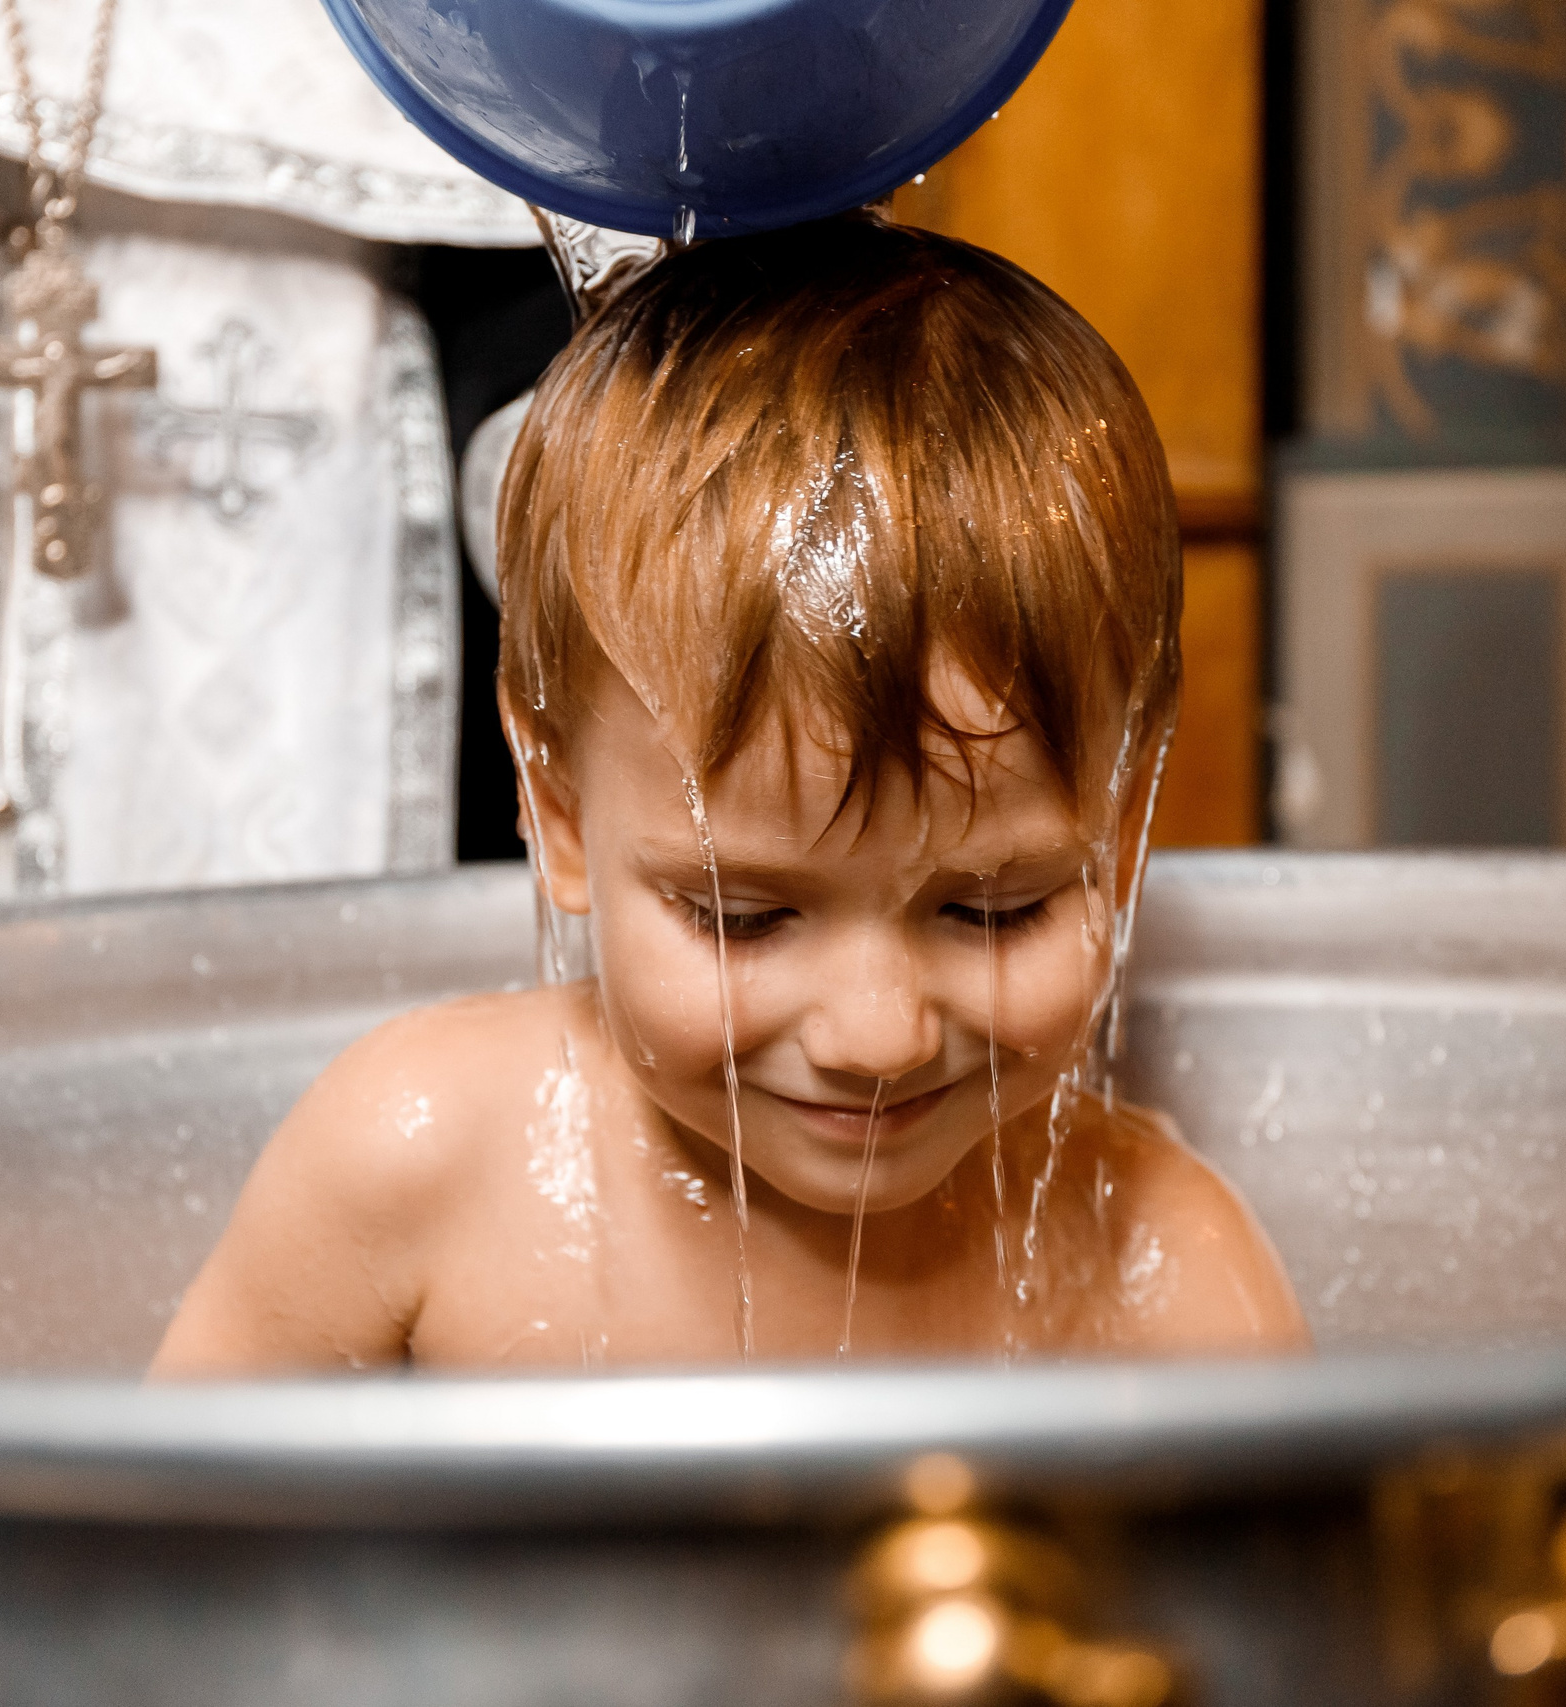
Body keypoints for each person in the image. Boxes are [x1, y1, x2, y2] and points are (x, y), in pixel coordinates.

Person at [152, 214, 1306, 1373]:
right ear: (554, 809)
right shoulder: (420, 1166)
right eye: (741, 916)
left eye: (996, 912)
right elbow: (153, 1542)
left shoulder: (1163, 1277)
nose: (876, 1036)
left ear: (1122, 815)